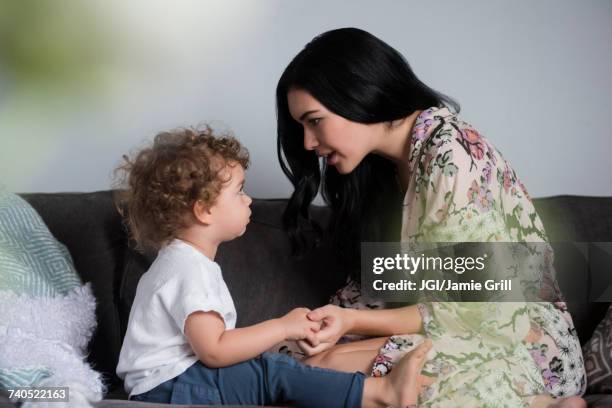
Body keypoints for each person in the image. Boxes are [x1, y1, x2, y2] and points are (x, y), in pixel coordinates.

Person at [275, 27, 587, 407]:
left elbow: (475, 308)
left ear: (357, 94)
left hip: (525, 346)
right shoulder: (384, 172)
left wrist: (350, 326)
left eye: (315, 120)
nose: (308, 143)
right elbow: (379, 285)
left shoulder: (450, 153)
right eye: (301, 127)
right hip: (456, 331)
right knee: (286, 361)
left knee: (318, 372)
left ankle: (544, 402)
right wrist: (318, 325)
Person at [113, 126, 433, 407]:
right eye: (239, 191)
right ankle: (382, 392)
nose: (249, 200)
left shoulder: (176, 261)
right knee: (274, 372)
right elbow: (214, 350)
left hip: (169, 385)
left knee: (271, 370)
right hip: (174, 389)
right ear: (204, 211)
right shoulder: (189, 269)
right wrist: (283, 326)